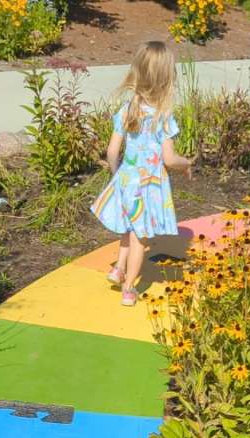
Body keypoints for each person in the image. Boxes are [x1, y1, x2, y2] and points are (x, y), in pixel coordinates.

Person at [90, 40, 194, 307]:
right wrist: (187, 163)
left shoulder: (127, 111)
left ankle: (117, 268)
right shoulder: (163, 116)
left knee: (127, 228)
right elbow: (169, 159)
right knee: (140, 239)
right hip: (148, 186)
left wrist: (116, 175)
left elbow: (112, 151)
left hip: (126, 179)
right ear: (167, 78)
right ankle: (128, 289)